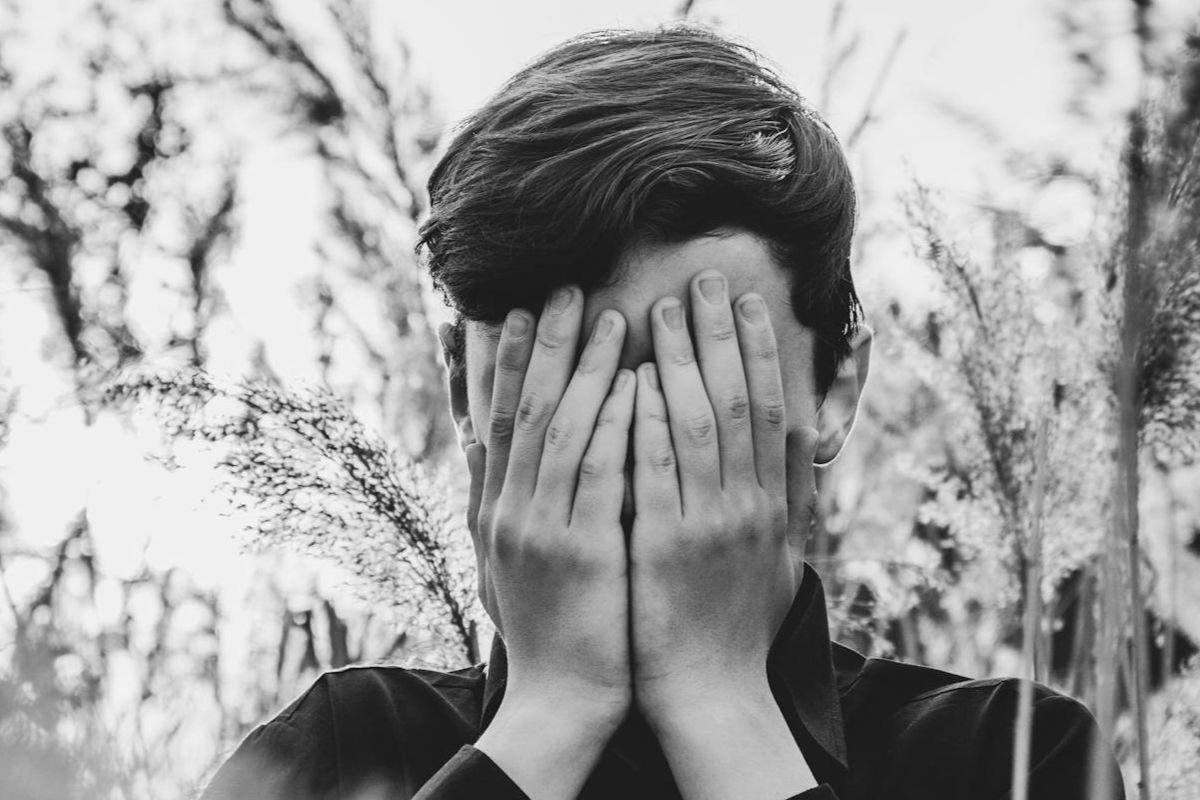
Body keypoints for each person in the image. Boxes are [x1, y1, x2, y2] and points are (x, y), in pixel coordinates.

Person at [202, 25, 1124, 800]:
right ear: (464, 396)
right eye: (562, 380)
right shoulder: (335, 751)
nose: (627, 439)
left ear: (833, 389)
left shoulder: (1008, 758)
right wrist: (549, 710)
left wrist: (720, 703)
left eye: (696, 369)